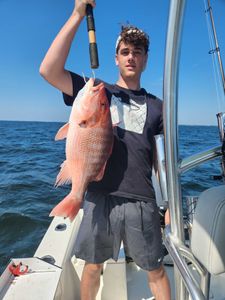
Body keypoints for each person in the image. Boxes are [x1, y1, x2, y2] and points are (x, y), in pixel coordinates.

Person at [39, 0, 171, 299]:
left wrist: (170, 204)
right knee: (92, 267)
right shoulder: (97, 91)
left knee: (155, 268)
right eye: (125, 51)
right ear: (115, 58)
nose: (131, 57)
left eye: (137, 52)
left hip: (142, 199)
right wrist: (76, 15)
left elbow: (161, 161)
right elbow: (48, 70)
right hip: (99, 196)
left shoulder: (157, 107)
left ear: (146, 58)